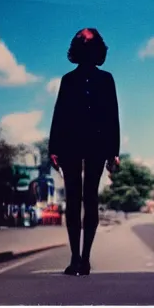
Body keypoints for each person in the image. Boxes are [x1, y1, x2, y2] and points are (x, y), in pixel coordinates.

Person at [49, 28, 120, 276]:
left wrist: (114, 151)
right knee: (72, 200)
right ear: (77, 49)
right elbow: (58, 114)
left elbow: (113, 116)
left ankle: (86, 258)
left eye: (89, 41)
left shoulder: (106, 79)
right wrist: (53, 147)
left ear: (97, 48)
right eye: (82, 41)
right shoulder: (68, 80)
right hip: (69, 144)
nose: (85, 45)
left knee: (90, 198)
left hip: (97, 145)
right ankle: (74, 257)